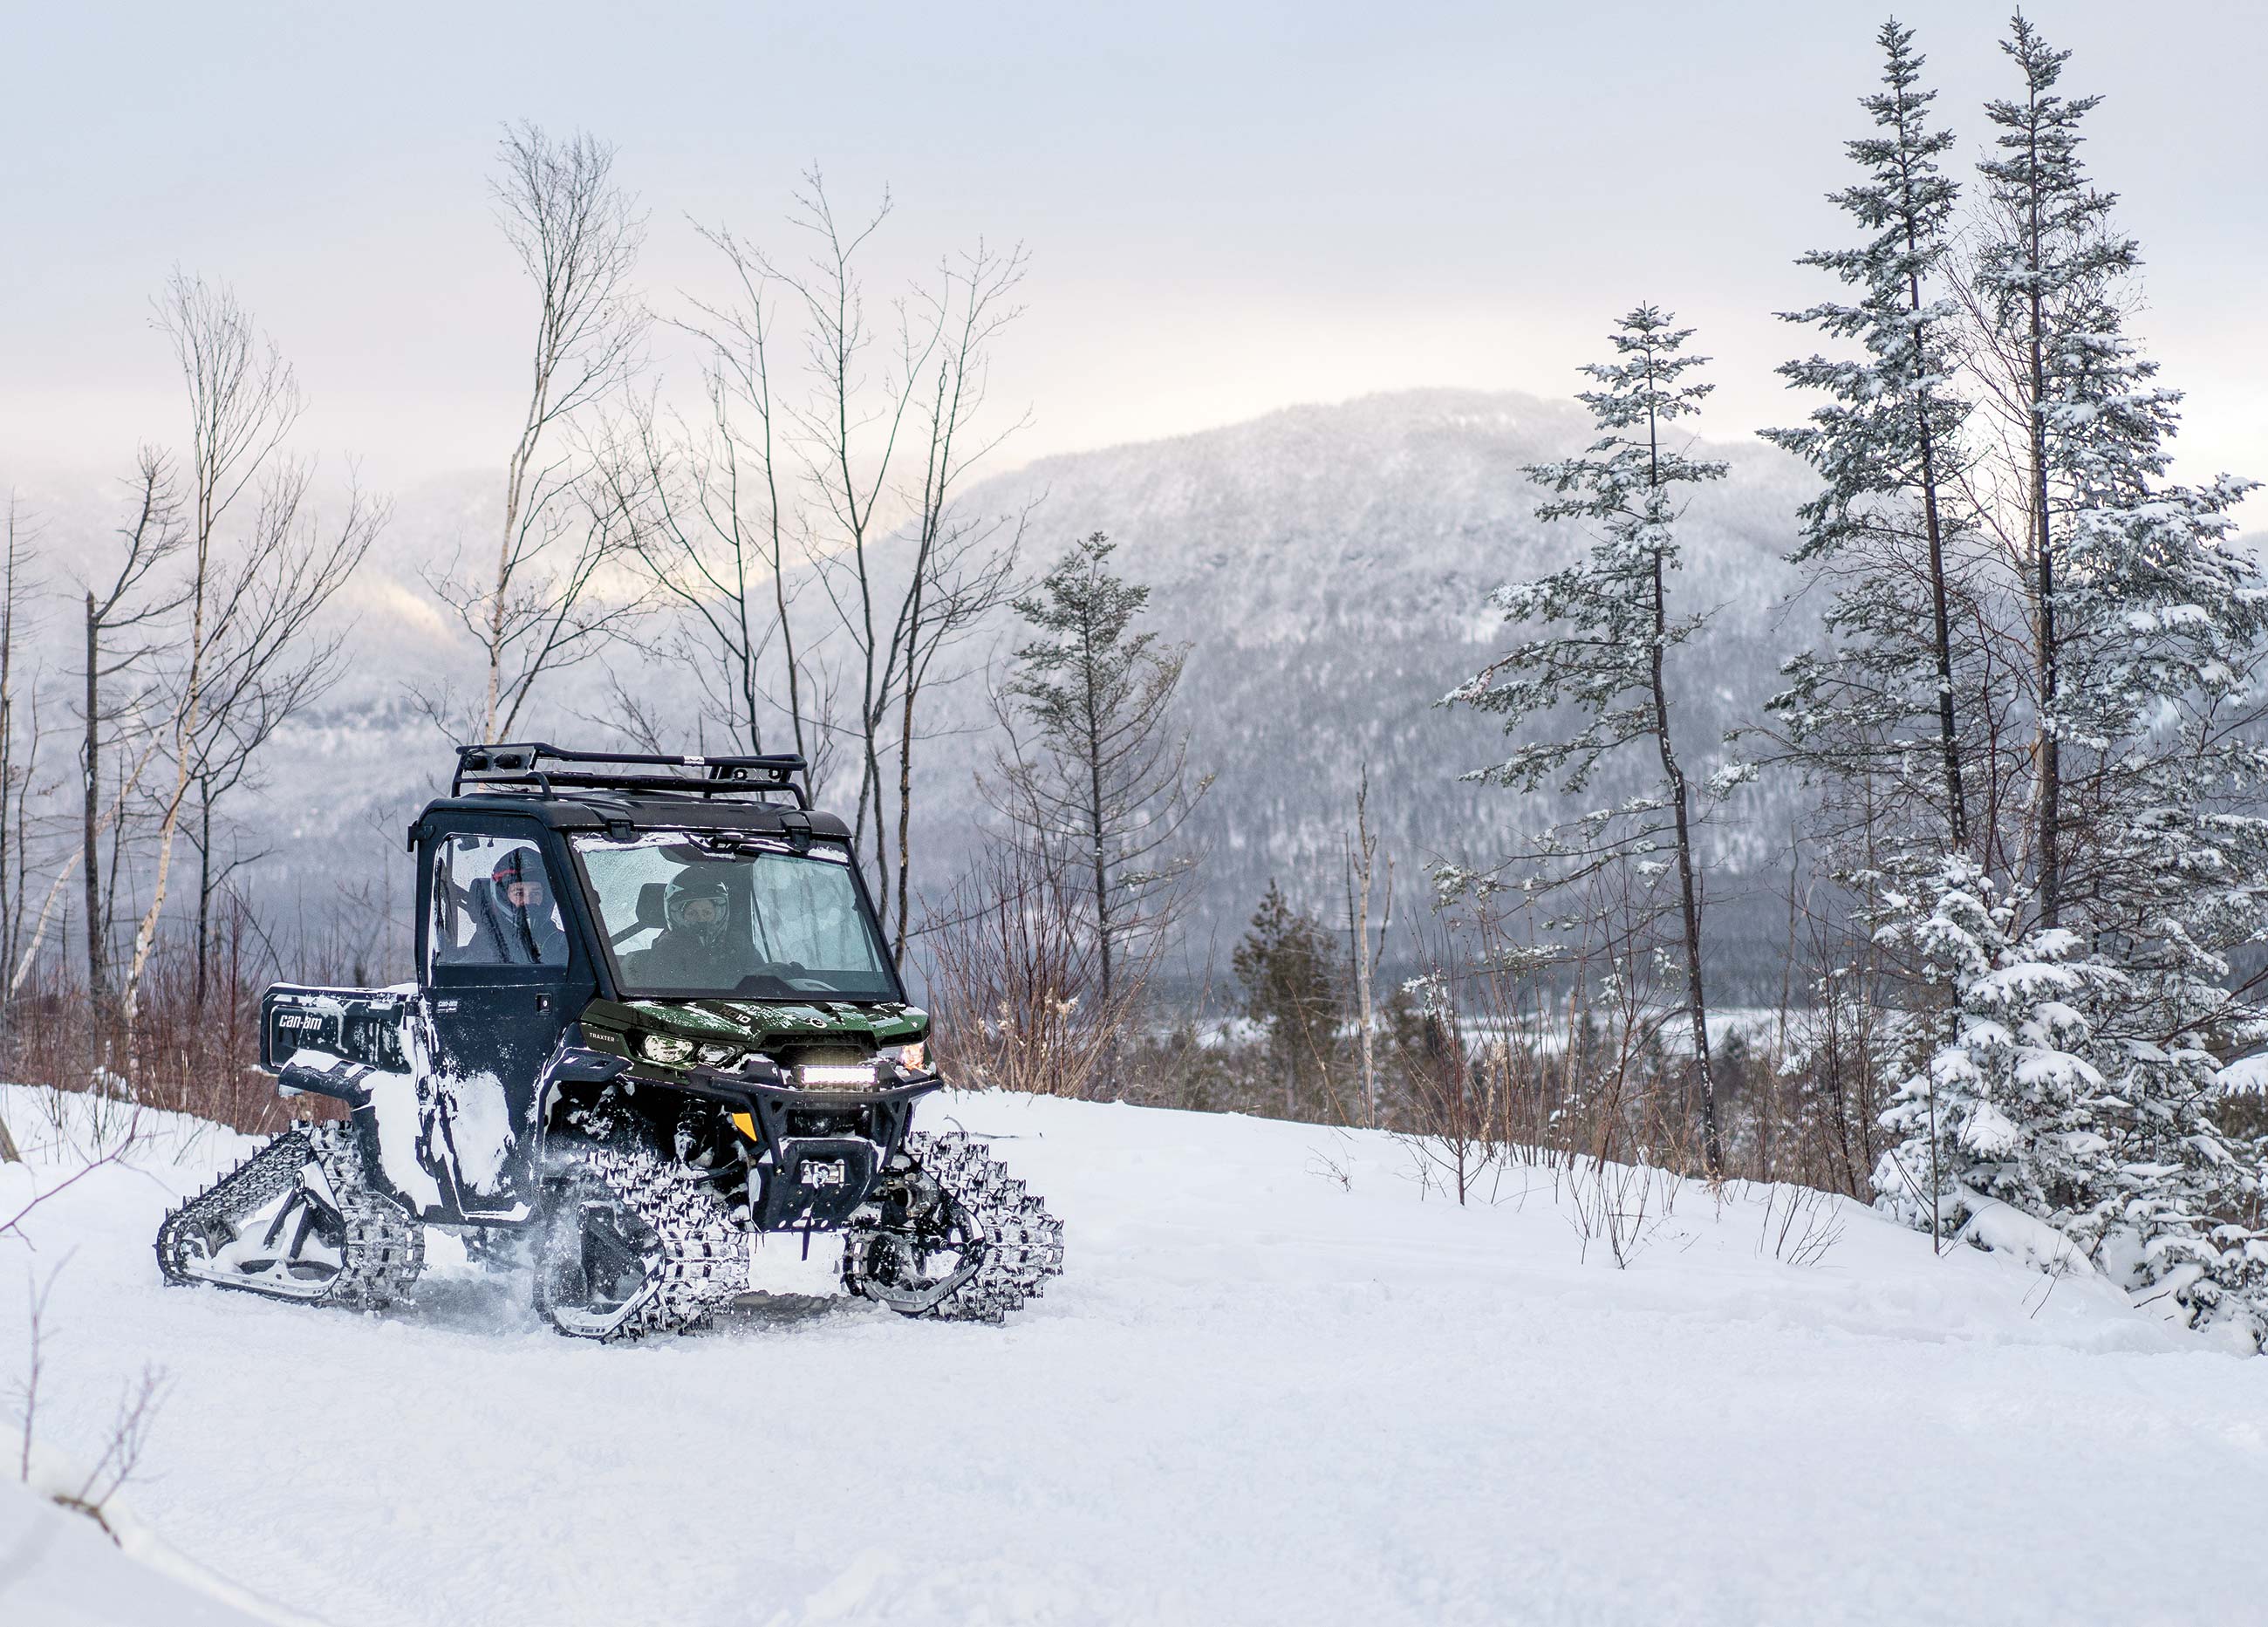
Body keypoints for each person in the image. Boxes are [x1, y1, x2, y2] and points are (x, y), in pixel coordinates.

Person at [620, 870, 753, 988]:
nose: (701, 920)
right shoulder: (668, 949)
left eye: (707, 913)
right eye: (692, 914)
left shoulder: (737, 942)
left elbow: (760, 980)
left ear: (719, 913)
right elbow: (668, 997)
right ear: (678, 917)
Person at [488, 849, 567, 965]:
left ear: (546, 898)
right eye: (519, 893)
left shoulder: (565, 945)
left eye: (535, 893)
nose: (528, 901)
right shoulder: (487, 945)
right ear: (504, 897)